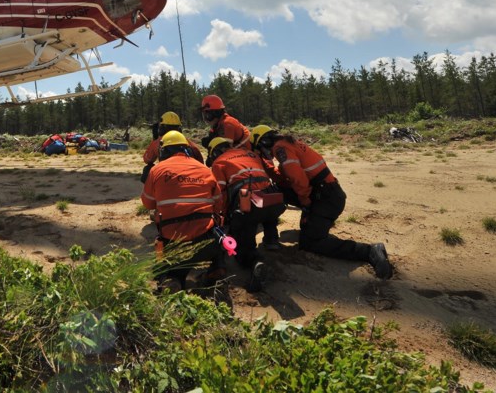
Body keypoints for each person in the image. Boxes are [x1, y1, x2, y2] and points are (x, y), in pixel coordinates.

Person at [251, 125, 394, 279]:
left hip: (325, 199)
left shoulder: (280, 148)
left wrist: (306, 204)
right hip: (325, 193)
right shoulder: (287, 143)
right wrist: (267, 167)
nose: (263, 153)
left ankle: (369, 251)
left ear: (265, 142)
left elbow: (297, 179)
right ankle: (313, 221)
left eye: (260, 147)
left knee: (311, 243)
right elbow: (284, 179)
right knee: (279, 191)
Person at [141, 130, 225, 292]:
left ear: (163, 151)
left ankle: (172, 279)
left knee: (168, 266)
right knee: (218, 233)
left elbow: (148, 204)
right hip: (206, 241)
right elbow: (218, 205)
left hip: (174, 239)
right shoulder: (205, 169)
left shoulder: (157, 170)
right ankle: (217, 269)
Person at [206, 137, 285, 292]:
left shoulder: (219, 162)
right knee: (266, 213)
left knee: (241, 246)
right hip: (274, 200)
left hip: (248, 202)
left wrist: (222, 216)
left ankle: (254, 261)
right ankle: (271, 239)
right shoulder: (251, 154)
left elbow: (220, 194)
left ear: (214, 152)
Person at [140, 111, 204, 182]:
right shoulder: (190, 144)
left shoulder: (158, 142)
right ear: (179, 129)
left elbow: (147, 159)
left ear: (161, 128)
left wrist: (154, 139)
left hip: (168, 178)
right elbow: (201, 163)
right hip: (190, 178)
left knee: (147, 170)